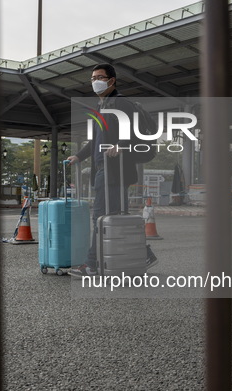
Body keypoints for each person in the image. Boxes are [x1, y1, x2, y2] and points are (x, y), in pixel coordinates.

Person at [67, 63, 158, 277]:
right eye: (92, 78)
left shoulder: (120, 102)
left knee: (101, 216)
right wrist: (79, 156)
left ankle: (92, 264)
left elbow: (133, 129)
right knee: (114, 216)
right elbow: (95, 140)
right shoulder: (103, 106)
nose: (95, 81)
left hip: (115, 170)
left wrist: (121, 144)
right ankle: (143, 254)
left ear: (111, 80)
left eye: (100, 77)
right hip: (104, 168)